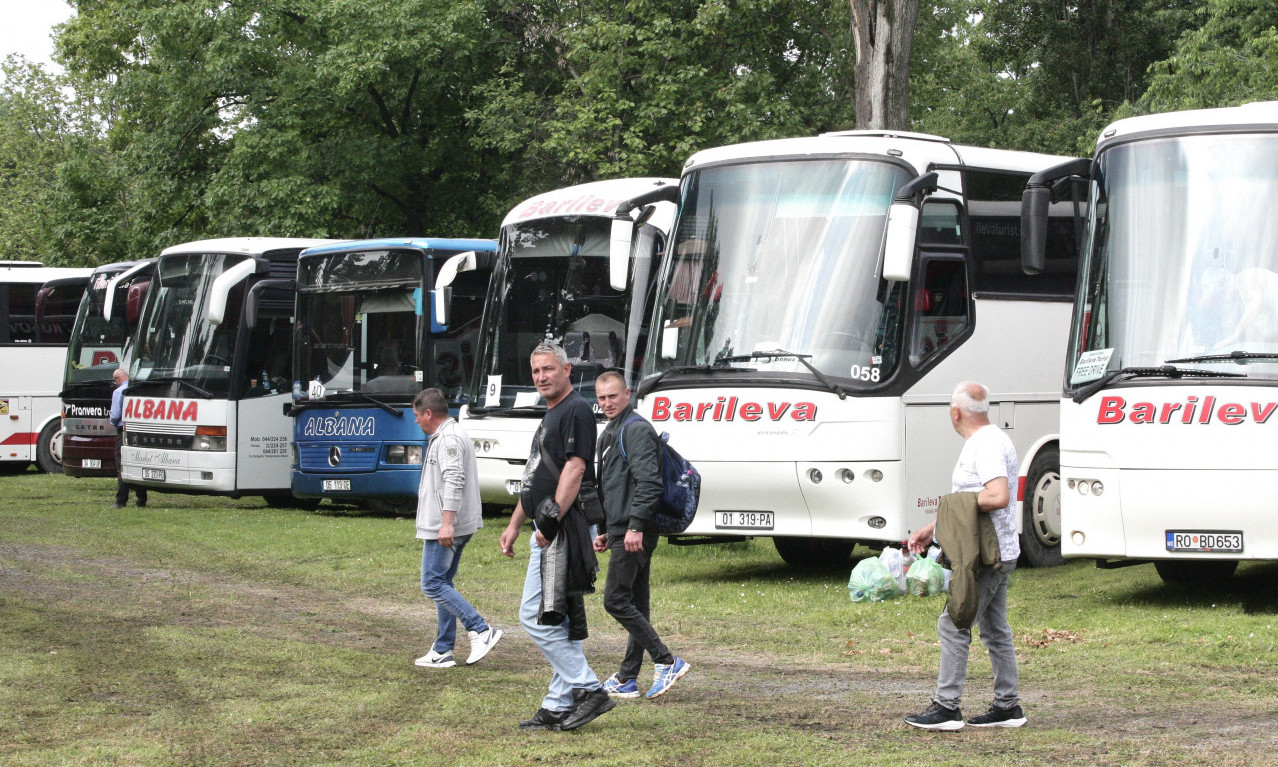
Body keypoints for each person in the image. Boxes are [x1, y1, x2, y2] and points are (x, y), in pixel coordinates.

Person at [499, 343, 614, 731]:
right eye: (535, 371)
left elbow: (575, 470)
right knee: (558, 622)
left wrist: (548, 526)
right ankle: (557, 704)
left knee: (535, 618)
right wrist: (516, 524)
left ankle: (589, 689)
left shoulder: (577, 410)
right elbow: (536, 475)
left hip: (560, 531)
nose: (541, 377)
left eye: (548, 369)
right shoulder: (550, 414)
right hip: (546, 526)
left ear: (566, 369)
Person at [903, 381, 1026, 730]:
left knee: (954, 622)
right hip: (999, 549)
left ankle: (947, 707)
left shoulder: (984, 445)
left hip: (985, 555)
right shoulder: (994, 438)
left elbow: (998, 495)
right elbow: (970, 500)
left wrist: (953, 506)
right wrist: (935, 527)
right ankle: (1007, 707)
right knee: (994, 627)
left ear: (955, 412)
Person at [592, 371, 690, 699]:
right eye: (602, 397)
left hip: (636, 531)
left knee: (615, 599)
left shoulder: (635, 429)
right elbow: (613, 485)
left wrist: (634, 526)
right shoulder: (611, 431)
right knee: (636, 603)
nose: (607, 403)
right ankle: (626, 678)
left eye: (613, 396)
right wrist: (606, 529)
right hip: (622, 528)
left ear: (627, 394)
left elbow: (650, 483)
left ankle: (666, 661)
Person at [411, 388, 502, 669]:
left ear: (428, 413)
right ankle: (442, 650)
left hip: (447, 524)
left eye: (417, 415)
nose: (416, 421)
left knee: (432, 583)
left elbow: (454, 478)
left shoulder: (448, 437)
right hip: (453, 522)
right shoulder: (451, 433)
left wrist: (446, 523)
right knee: (443, 582)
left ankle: (480, 629)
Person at [108, 368, 147, 509]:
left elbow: (115, 415)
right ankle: (141, 499)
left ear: (118, 379)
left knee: (122, 465)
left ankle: (121, 500)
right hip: (138, 430)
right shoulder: (137, 389)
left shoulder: (119, 392)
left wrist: (112, 422)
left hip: (123, 431)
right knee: (137, 462)